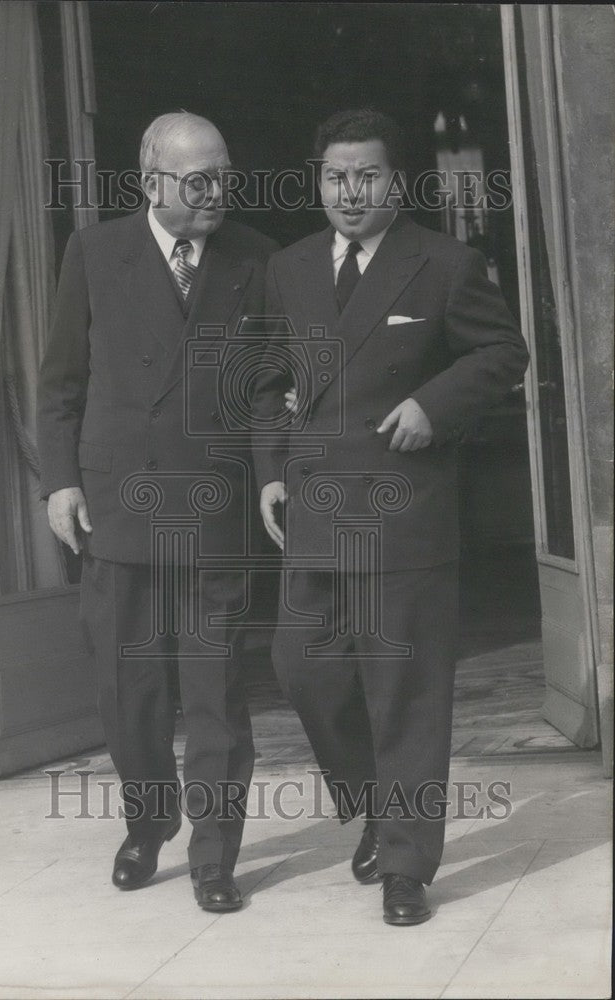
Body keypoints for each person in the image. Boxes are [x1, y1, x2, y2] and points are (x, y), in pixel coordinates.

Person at [253, 108, 528, 925]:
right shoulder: (291, 268)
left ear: (394, 181)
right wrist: (269, 473)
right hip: (312, 509)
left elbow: (502, 353)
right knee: (300, 665)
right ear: (318, 180)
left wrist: (431, 404)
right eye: (335, 175)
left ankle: (407, 863)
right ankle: (378, 800)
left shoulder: (444, 263)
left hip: (404, 507)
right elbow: (267, 380)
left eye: (366, 175)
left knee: (405, 689)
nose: (349, 191)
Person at [37, 112, 277, 912]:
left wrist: (274, 477)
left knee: (214, 694)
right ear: (151, 183)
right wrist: (60, 481)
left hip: (215, 511)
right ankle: (147, 825)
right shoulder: (94, 252)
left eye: (223, 175)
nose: (215, 192)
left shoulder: (255, 257)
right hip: (119, 507)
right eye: (197, 179)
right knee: (128, 688)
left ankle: (215, 856)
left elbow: (274, 390)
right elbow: (61, 382)